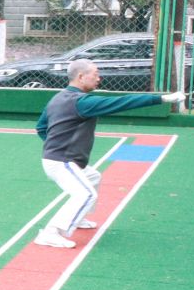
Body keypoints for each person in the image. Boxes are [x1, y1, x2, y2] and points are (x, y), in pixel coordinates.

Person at [32, 60, 179, 249]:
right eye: (95, 74)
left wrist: (54, 146)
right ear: (81, 77)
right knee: (86, 194)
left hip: (59, 159)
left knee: (93, 176)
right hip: (62, 161)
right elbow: (122, 103)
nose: (98, 78)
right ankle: (50, 233)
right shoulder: (82, 102)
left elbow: (41, 127)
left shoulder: (58, 98)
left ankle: (78, 218)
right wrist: (162, 99)